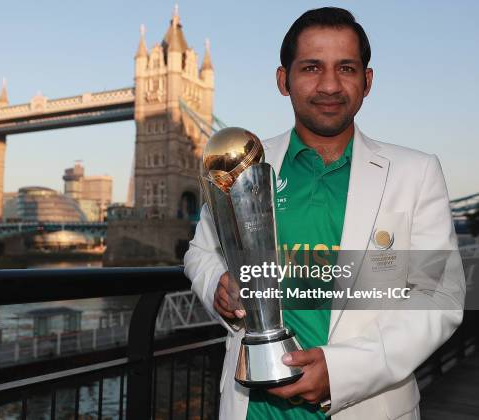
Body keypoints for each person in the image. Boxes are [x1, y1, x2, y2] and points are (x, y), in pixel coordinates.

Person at [184, 7, 465, 420]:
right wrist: (217, 288)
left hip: (368, 407)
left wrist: (341, 371)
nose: (330, 85)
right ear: (284, 80)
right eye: (312, 67)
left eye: (346, 68)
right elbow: (200, 253)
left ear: (367, 82)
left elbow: (437, 296)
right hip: (251, 410)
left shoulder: (416, 173)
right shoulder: (243, 161)